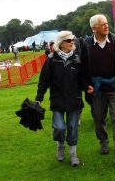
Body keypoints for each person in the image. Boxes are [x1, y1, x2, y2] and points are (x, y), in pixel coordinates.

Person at [81, 14, 115, 166]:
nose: (106, 26)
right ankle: (103, 142)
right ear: (94, 28)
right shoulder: (86, 45)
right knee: (98, 118)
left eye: (107, 23)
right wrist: (85, 85)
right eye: (102, 24)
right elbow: (81, 69)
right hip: (96, 90)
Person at [35, 31, 86, 167]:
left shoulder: (77, 59)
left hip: (74, 99)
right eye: (69, 41)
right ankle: (60, 146)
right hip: (57, 99)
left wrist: (87, 88)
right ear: (61, 43)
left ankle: (73, 154)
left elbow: (81, 79)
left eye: (72, 40)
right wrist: (39, 98)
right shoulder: (51, 59)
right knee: (59, 127)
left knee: (72, 126)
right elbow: (44, 81)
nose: (72, 43)